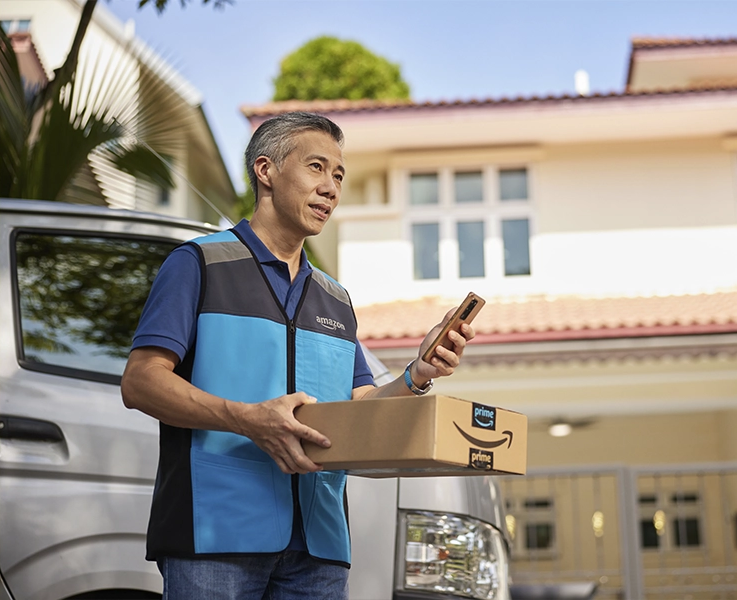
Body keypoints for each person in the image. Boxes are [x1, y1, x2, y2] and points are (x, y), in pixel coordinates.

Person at [121, 111, 474, 599]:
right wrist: (248, 419)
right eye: (316, 167)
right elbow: (140, 382)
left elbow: (358, 411)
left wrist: (417, 374)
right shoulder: (198, 264)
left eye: (338, 174)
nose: (331, 186)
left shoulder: (336, 299)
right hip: (215, 534)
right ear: (266, 171)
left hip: (318, 546)